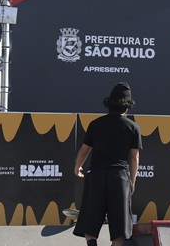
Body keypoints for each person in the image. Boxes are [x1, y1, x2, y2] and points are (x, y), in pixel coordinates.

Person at [73, 82, 142, 246]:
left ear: (109, 103)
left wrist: (77, 167)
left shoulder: (96, 124)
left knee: (90, 219)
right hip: (119, 178)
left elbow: (84, 150)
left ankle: (92, 244)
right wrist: (132, 181)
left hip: (96, 175)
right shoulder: (133, 127)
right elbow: (134, 157)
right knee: (119, 227)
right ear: (128, 106)